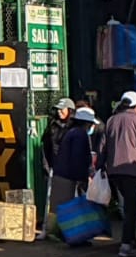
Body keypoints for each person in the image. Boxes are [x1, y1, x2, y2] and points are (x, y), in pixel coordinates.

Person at [101, 90, 136, 257]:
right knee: (132, 208)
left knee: (127, 206)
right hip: (132, 171)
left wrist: (101, 168)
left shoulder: (111, 121)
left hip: (114, 171)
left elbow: (102, 147)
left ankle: (130, 240)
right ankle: (126, 245)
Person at [46, 106, 97, 232]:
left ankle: (59, 232)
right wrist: (83, 178)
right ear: (87, 123)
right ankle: (72, 236)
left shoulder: (71, 132)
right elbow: (78, 158)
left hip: (62, 174)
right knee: (73, 210)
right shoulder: (80, 135)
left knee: (63, 208)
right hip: (70, 177)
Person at [38, 98, 75, 238]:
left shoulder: (74, 128)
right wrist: (46, 165)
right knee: (51, 201)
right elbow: (46, 147)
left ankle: (69, 230)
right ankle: (47, 229)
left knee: (70, 201)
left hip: (70, 169)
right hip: (55, 167)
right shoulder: (52, 126)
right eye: (58, 109)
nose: (60, 112)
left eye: (63, 109)